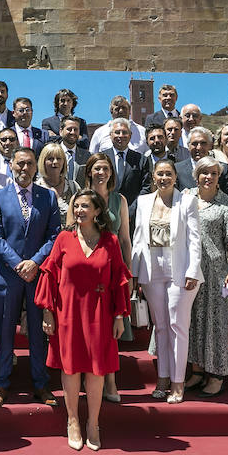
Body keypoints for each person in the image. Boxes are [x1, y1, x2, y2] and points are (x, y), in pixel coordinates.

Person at [38, 189, 131, 451]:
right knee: (70, 367)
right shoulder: (64, 239)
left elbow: (117, 281)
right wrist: (47, 311)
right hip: (67, 313)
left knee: (96, 368)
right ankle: (72, 420)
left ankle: (93, 422)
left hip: (100, 314)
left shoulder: (110, 241)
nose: (79, 211)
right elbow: (49, 275)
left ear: (98, 211)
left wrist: (119, 316)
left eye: (85, 206)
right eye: (76, 206)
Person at [0, 147, 62, 407]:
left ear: (35, 167)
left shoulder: (48, 197)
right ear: (10, 165)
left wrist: (35, 263)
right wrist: (20, 264)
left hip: (37, 277)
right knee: (6, 332)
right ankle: (1, 384)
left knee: (38, 334)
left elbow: (54, 237)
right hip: (8, 276)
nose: (24, 168)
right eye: (20, 163)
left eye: (29, 164)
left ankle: (41, 384)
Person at [131, 158, 203, 404]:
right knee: (160, 327)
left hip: (180, 270)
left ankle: (178, 382)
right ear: (153, 176)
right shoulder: (143, 202)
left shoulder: (188, 201)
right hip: (152, 270)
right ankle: (162, 379)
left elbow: (194, 239)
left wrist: (193, 270)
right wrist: (134, 273)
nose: (164, 178)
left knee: (177, 326)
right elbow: (138, 237)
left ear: (175, 176)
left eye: (168, 173)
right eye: (159, 173)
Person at [184, 157, 228, 398]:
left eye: (214, 173)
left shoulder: (227, 204)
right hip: (188, 270)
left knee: (215, 323)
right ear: (196, 176)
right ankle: (197, 370)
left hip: (215, 271)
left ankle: (217, 374)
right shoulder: (186, 198)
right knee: (193, 321)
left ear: (220, 177)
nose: (209, 177)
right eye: (204, 173)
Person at [84, 152, 136, 402]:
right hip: (87, 271)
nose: (101, 173)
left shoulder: (120, 200)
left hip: (113, 270)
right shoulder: (80, 198)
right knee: (88, 328)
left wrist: (129, 270)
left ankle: (110, 382)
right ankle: (89, 379)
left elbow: (125, 238)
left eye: (105, 168)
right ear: (89, 172)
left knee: (109, 328)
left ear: (111, 173)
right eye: (96, 168)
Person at [35, 141, 79, 219]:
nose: (55, 162)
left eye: (58, 158)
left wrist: (58, 199)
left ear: (64, 162)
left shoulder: (73, 187)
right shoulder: (36, 188)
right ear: (43, 162)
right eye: (50, 159)